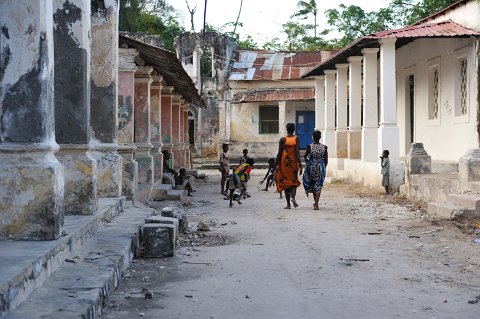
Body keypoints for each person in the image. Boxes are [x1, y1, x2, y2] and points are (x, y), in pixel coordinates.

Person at [275, 123, 302, 209]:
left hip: (285, 164)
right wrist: (300, 164)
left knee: (286, 182)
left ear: (287, 130)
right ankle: (293, 198)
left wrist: (275, 164)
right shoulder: (297, 138)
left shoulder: (283, 139)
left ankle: (288, 205)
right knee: (294, 181)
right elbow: (297, 153)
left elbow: (279, 154)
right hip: (294, 163)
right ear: (294, 130)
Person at [302, 130, 328, 210]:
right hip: (320, 167)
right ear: (320, 138)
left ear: (312, 137)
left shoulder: (309, 146)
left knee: (313, 185)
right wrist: (323, 167)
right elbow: (326, 159)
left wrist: (308, 163)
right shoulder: (324, 147)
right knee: (318, 186)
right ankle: (316, 204)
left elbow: (305, 157)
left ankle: (315, 203)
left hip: (311, 168)